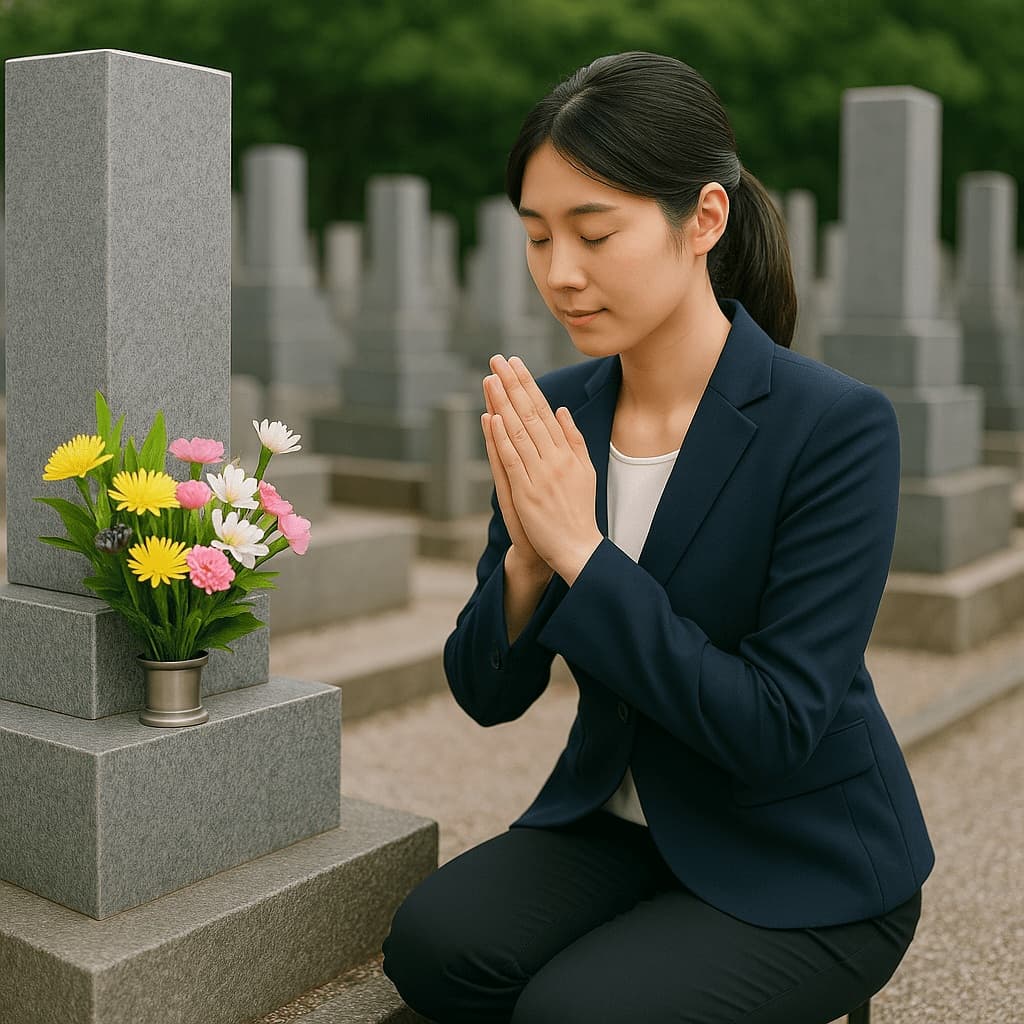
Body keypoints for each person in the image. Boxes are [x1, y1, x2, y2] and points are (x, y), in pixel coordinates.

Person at [382, 51, 935, 1023]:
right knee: (431, 949)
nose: (560, 271)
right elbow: (485, 693)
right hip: (616, 825)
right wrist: (524, 559)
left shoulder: (835, 427)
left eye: (594, 233)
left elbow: (772, 726)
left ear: (704, 221)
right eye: (538, 235)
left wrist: (586, 556)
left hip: (804, 852)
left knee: (571, 1012)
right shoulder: (556, 411)